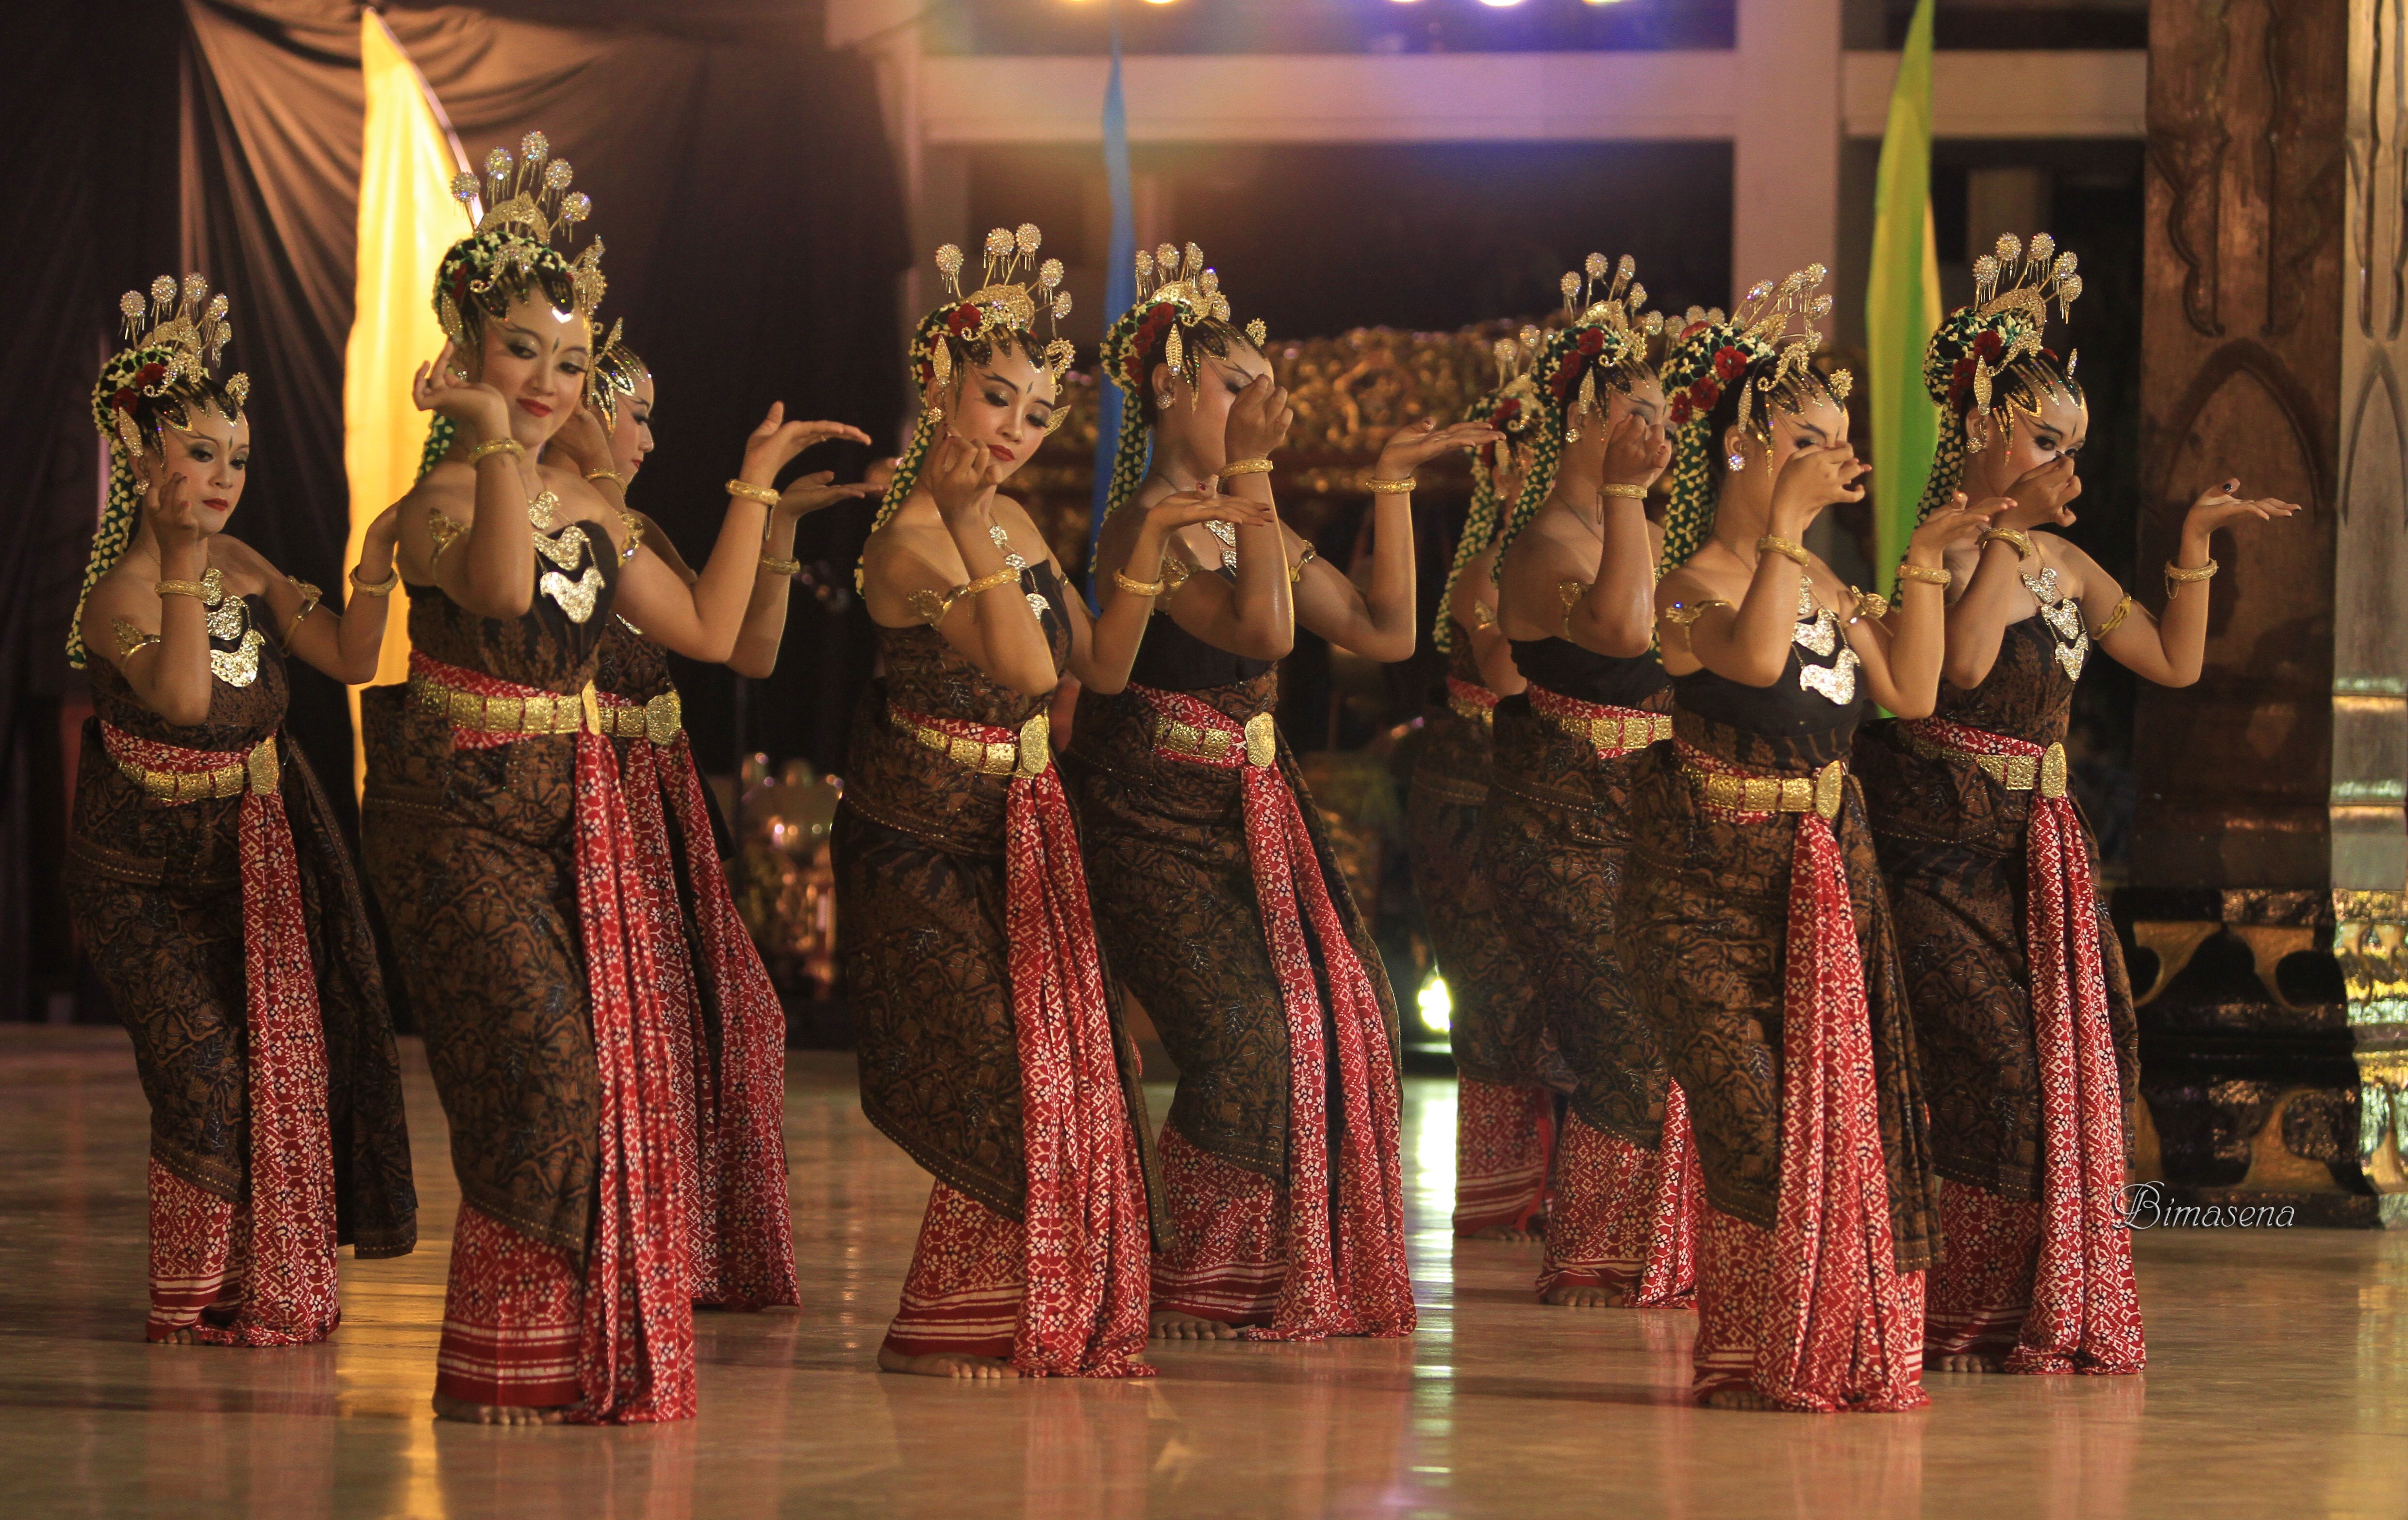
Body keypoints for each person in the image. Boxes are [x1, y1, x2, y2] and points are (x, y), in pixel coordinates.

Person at [361, 135, 814, 1423]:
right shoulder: (442, 502)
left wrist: (756, 491)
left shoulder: (603, 516)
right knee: (546, 1067)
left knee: (610, 1075)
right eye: (524, 355)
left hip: (575, 821)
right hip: (454, 817)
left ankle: (560, 1354)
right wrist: (497, 441)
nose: (553, 384)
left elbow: (718, 634)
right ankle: (505, 1352)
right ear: (462, 349)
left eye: (571, 361)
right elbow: (503, 590)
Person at [1853, 234, 2299, 1375]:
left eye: (2073, 445)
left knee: (2076, 1061)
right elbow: (1955, 669)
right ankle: (1960, 1306)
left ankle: (2028, 1309)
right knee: (1996, 1064)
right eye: (2048, 441)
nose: (2067, 467)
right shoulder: (1945, 549)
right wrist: (2005, 534)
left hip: (2035, 850)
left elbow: (2173, 664)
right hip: (1935, 850)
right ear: (1985, 432)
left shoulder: (2069, 562)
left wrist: (2193, 542)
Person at [1067, 241, 1491, 1341]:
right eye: (1239, 388)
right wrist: (1254, 477)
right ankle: (1200, 1272)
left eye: (1266, 386)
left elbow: (1388, 632)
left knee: (1351, 1013)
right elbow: (1263, 632)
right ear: (1170, 391)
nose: (1267, 407)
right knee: (1247, 1034)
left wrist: (1392, 483)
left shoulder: (1255, 520)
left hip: (1250, 804)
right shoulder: (1140, 529)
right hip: (1149, 813)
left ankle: (1262, 1274)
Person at [1619, 266, 1997, 1411]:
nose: (1837, 460)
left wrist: (1926, 554)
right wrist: (1784, 532)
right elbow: (1741, 660)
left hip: (1818, 883)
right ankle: (1750, 1348)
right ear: (1740, 445)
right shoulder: (1685, 588)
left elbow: (1917, 691)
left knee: (1829, 1124)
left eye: (1841, 442)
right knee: (1754, 1122)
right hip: (1694, 889)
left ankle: (1809, 1347)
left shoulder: (1826, 575)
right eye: (1807, 439)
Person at [64, 274, 415, 1345]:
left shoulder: (246, 567)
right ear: (140, 457)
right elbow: (179, 698)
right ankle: (190, 1297)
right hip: (141, 883)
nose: (224, 479)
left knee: (277, 1058)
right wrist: (178, 563)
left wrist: (376, 562)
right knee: (205, 1065)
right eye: (202, 454)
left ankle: (260, 1285)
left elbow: (353, 658)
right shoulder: (114, 599)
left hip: (256, 853)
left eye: (238, 457)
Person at [838, 226, 1156, 1380]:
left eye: (1035, 410)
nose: (1017, 430)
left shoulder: (1015, 523)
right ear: (940, 385)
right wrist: (974, 525)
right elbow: (1024, 673)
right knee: (997, 1073)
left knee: (1073, 1071)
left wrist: (1155, 537)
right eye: (997, 400)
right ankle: (955, 1320)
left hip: (1023, 830)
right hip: (920, 837)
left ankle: (1010, 1311)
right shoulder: (909, 545)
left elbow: (1095, 670)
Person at [549, 322, 869, 1310]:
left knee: (730, 1019)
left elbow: (750, 652)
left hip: (661, 796)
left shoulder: (632, 525)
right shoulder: (582, 523)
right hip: (598, 793)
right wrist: (753, 490)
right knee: (637, 1035)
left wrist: (773, 530)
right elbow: (715, 633)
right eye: (636, 417)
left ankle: (679, 1256)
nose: (647, 442)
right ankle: (627, 1257)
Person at [1482, 257, 1696, 1307]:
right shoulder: (1541, 543)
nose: (1659, 436)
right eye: (1636, 415)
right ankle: (1601, 1257)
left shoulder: (1646, 529)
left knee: (1664, 1024)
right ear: (1580, 417)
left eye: (1666, 416)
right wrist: (1622, 497)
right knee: (1619, 1031)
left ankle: (1648, 1253)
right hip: (1560, 819)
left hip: (1650, 812)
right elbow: (1618, 630)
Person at [1409, 350, 1551, 1241]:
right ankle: (1508, 1197)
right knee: (1498, 998)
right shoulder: (1499, 562)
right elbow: (1508, 675)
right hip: (1474, 804)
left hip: (1539, 801)